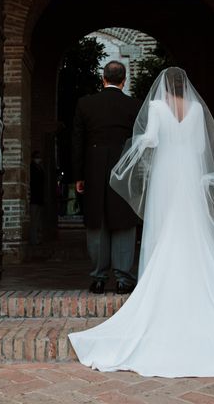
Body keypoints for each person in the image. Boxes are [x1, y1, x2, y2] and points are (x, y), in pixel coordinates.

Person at [68, 67, 214, 377]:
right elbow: (201, 148)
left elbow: (151, 140)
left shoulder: (156, 108)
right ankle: (177, 279)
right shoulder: (198, 110)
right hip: (189, 173)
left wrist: (131, 158)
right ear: (185, 87)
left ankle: (133, 278)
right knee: (192, 229)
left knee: (162, 228)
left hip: (165, 174)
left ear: (163, 88)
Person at [72, 60, 142, 294]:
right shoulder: (134, 105)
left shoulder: (86, 104)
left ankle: (99, 278)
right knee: (124, 222)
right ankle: (123, 279)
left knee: (97, 221)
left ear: (103, 79)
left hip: (94, 168)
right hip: (124, 169)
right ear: (124, 80)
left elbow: (77, 143)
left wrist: (79, 176)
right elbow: (140, 144)